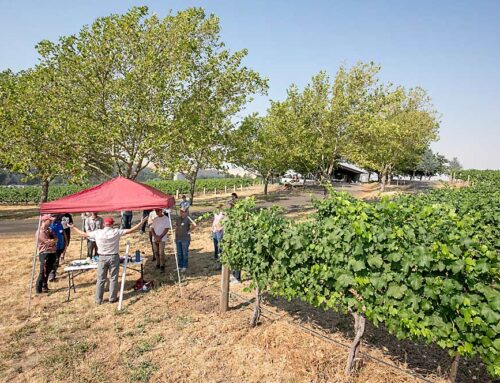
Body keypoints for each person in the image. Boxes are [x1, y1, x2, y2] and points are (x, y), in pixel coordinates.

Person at [69, 216, 147, 304]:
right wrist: (141, 223)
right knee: (113, 278)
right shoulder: (116, 231)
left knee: (101, 279)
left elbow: (84, 234)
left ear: (103, 224)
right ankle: (112, 298)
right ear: (112, 224)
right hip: (113, 257)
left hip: (102, 257)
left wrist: (73, 227)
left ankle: (98, 299)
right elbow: (131, 230)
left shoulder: (98, 232)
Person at [36, 214, 57, 294]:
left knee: (48, 271)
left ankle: (45, 286)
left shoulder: (49, 230)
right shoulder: (40, 232)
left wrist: (53, 241)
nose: (51, 221)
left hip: (52, 253)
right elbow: (48, 242)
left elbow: (55, 239)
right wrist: (53, 241)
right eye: (50, 220)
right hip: (45, 253)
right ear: (44, 221)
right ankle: (38, 289)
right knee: (43, 271)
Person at [175, 208, 197, 272]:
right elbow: (176, 227)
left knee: (184, 253)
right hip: (178, 238)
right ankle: (179, 266)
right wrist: (175, 236)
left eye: (184, 211)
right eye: (181, 211)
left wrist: (189, 231)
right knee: (179, 253)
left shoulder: (188, 219)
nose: (182, 212)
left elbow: (195, 225)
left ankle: (184, 266)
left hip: (185, 239)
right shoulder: (178, 219)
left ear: (186, 212)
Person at [226, 194, 242, 283]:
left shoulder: (238, 218)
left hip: (237, 241)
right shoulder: (231, 217)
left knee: (237, 259)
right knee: (232, 258)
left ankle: (238, 278)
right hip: (232, 240)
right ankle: (234, 275)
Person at [150, 209, 171, 273]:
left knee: (161, 252)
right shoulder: (155, 219)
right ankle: (158, 263)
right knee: (156, 251)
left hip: (162, 238)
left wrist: (160, 236)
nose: (156, 213)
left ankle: (162, 265)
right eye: (156, 211)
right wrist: (155, 236)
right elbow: (152, 228)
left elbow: (166, 229)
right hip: (155, 238)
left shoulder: (166, 219)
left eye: (157, 211)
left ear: (161, 211)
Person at [48, 214, 67, 281]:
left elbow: (63, 233)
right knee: (54, 260)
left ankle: (54, 272)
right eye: (53, 216)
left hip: (60, 245)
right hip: (53, 246)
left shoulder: (59, 224)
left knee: (57, 260)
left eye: (55, 216)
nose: (55, 218)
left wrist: (65, 242)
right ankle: (51, 275)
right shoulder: (49, 226)